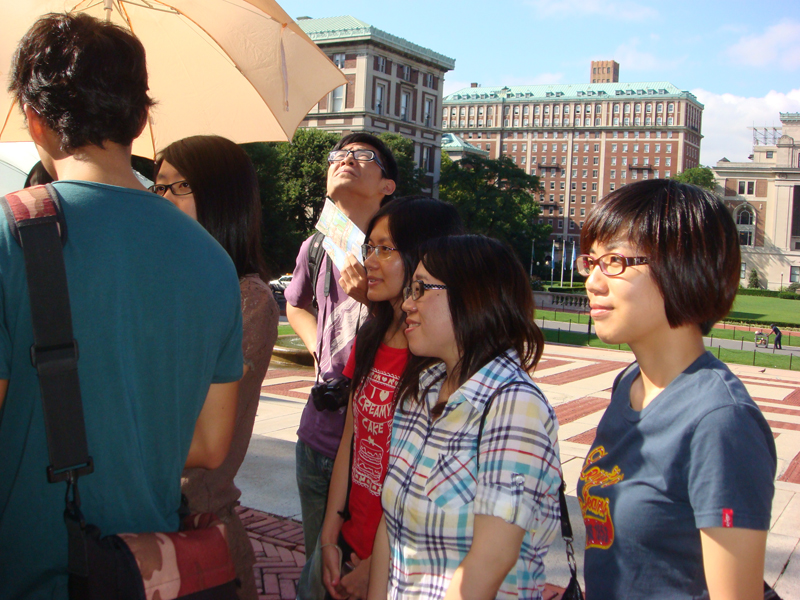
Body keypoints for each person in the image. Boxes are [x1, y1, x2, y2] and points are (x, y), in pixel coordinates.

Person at [0, 14, 242, 599]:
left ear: (34, 119)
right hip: (139, 572)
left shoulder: (12, 230)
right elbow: (210, 444)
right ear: (139, 118)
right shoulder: (211, 259)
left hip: (28, 568)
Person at [575, 179, 777, 599]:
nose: (593, 281)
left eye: (614, 260)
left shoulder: (720, 421)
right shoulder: (629, 384)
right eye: (590, 261)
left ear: (682, 265)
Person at [370, 235, 562, 600]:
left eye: (420, 288)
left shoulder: (514, 407)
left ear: (472, 296)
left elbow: (489, 563)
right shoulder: (420, 392)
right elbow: (390, 526)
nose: (407, 304)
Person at [307, 197, 464, 600]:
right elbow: (352, 440)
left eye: (386, 249)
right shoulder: (372, 335)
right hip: (350, 539)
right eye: (369, 247)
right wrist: (329, 533)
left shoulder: (438, 357)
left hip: (405, 558)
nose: (370, 261)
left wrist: (380, 566)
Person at [153, 135, 280, 600]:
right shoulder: (159, 282)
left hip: (195, 527)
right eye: (157, 187)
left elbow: (202, 435)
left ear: (220, 196)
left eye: (176, 186)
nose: (161, 198)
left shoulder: (247, 298)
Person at [285, 132, 398, 598]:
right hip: (318, 435)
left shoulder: (401, 253)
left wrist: (368, 300)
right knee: (323, 563)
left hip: (374, 447)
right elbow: (296, 305)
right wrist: (320, 350)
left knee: (355, 577)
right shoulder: (320, 243)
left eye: (362, 156)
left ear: (387, 186)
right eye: (338, 155)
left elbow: (420, 330)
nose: (345, 160)